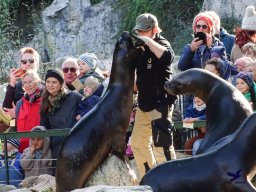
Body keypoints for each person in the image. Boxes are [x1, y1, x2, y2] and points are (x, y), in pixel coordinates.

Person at [130, 13, 176, 179]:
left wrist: (148, 41)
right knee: (137, 144)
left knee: (161, 146)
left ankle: (173, 182)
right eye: (139, 31)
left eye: (144, 31)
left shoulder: (162, 43)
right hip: (144, 104)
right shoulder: (140, 49)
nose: (141, 34)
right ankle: (149, 179)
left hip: (161, 103)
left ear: (154, 30)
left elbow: (168, 57)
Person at [40, 68, 82, 170]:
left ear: (61, 83)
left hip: (75, 143)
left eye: (54, 82)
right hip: (56, 146)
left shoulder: (74, 97)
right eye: (48, 82)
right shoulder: (45, 102)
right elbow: (44, 126)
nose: (50, 85)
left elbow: (87, 109)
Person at [2, 47, 40, 126]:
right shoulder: (15, 86)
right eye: (24, 62)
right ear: (20, 65)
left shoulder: (45, 86)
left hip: (39, 130)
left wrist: (18, 114)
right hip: (18, 128)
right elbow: (6, 110)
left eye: (31, 61)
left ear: (37, 64)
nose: (28, 64)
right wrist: (12, 82)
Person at [15, 70, 43, 153]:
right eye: (24, 83)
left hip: (41, 149)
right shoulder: (19, 103)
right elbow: (13, 121)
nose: (27, 85)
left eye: (30, 82)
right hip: (22, 151)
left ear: (37, 82)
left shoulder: (45, 101)